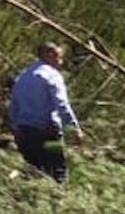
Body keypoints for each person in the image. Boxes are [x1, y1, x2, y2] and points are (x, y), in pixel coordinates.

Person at [9, 42, 83, 183]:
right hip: (47, 134)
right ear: (49, 55)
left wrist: (16, 128)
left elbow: (13, 106)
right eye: (59, 57)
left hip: (24, 134)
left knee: (33, 175)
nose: (61, 62)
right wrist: (74, 129)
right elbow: (62, 105)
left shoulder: (22, 77)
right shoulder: (52, 76)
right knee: (57, 174)